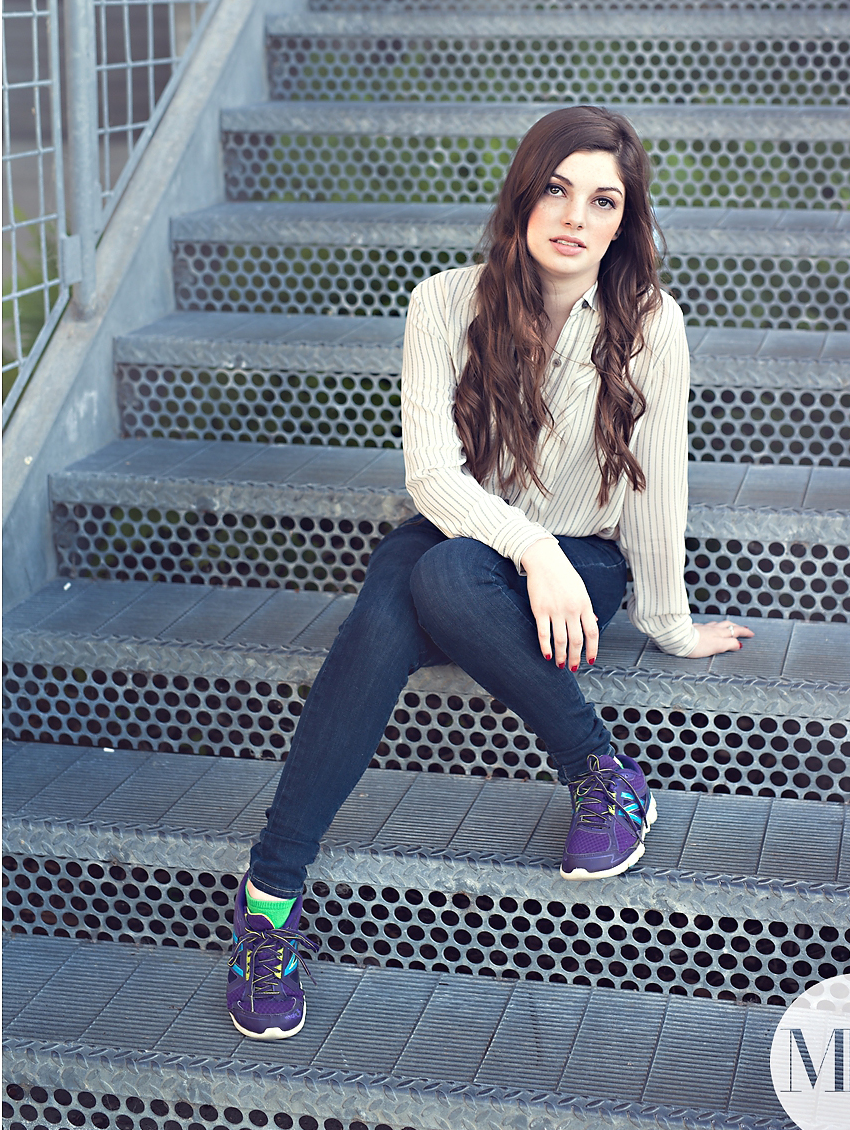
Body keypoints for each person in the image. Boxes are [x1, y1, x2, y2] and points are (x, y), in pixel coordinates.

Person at [225, 105, 754, 1041]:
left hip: (583, 559)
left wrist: (668, 619)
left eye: (603, 201)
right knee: (417, 586)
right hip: (466, 542)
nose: (575, 217)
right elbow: (431, 476)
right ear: (522, 196)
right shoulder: (442, 303)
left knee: (428, 584)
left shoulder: (651, 324)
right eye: (557, 189)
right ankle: (272, 896)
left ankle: (599, 774)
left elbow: (658, 476)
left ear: (625, 223)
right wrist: (532, 549)